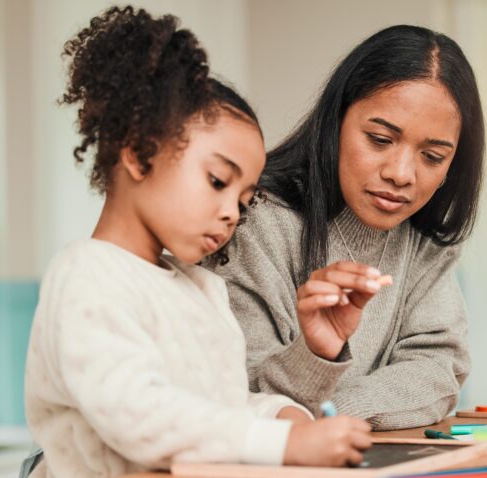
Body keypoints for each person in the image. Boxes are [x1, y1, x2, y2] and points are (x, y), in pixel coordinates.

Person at [22, 7, 372, 477]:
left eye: (244, 201)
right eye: (216, 181)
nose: (232, 211)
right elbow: (142, 416)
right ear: (137, 151)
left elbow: (217, 406)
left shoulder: (203, 289)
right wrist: (284, 441)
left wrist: (280, 414)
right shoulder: (88, 276)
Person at [204, 24, 485, 431]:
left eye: (432, 156)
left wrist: (333, 414)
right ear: (335, 123)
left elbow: (439, 370)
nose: (402, 174)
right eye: (379, 139)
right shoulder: (248, 219)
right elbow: (243, 393)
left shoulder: (425, 242)